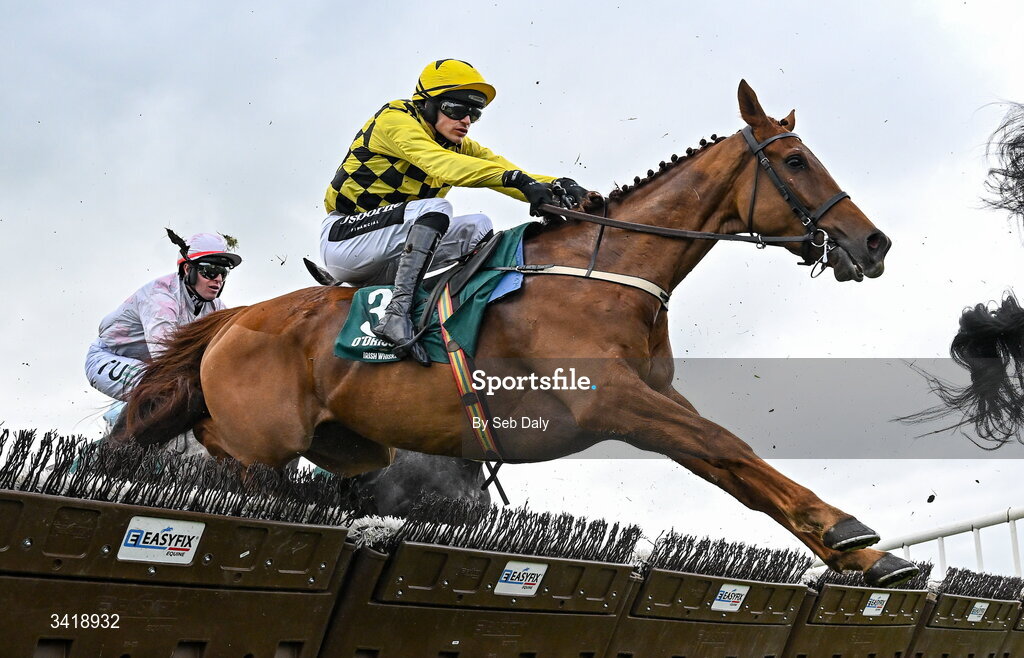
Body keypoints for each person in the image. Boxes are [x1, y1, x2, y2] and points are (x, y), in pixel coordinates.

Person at [320, 59, 590, 365]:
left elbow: (504, 169)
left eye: (474, 114)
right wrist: (517, 181)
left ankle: (441, 312)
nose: (466, 120)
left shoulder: (458, 144)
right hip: (344, 240)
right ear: (429, 105)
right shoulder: (394, 119)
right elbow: (440, 163)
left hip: (389, 253)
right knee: (438, 207)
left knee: (478, 225)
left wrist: (555, 184)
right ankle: (397, 314)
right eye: (455, 109)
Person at [85, 231, 242, 403]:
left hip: (150, 365)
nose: (218, 279)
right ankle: (124, 424)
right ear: (188, 269)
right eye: (210, 270)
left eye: (223, 272)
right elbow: (167, 361)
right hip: (108, 357)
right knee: (169, 389)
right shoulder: (160, 299)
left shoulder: (216, 307)